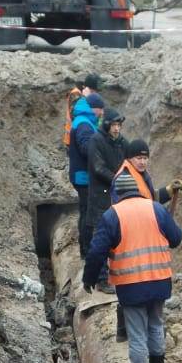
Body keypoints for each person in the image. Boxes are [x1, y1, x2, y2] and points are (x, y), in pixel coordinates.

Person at [83, 169, 182, 363]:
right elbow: (176, 238)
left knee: (137, 333)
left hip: (131, 285)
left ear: (117, 194)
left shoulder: (112, 215)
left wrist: (89, 279)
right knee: (156, 325)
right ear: (137, 190)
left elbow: (96, 251)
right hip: (159, 281)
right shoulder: (156, 209)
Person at [85, 107, 127, 272]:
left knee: (118, 233)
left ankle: (116, 269)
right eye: (114, 125)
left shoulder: (121, 142)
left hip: (117, 195)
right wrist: (119, 180)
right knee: (102, 236)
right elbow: (98, 168)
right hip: (101, 196)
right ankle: (101, 277)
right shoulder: (96, 140)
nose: (117, 128)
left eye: (119, 125)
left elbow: (130, 159)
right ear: (107, 125)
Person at [69, 92, 104, 257]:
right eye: (100, 109)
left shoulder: (84, 120)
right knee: (88, 213)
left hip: (82, 175)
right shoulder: (84, 124)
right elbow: (86, 148)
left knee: (85, 211)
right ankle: (87, 250)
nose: (102, 113)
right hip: (84, 176)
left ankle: (85, 248)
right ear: (94, 109)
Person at [111, 139, 182, 205]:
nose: (142, 162)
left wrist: (169, 190)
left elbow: (151, 198)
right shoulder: (123, 179)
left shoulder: (142, 173)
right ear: (130, 158)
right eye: (139, 158)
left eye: (145, 158)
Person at [63, 73, 102, 148]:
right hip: (74, 138)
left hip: (85, 136)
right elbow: (74, 114)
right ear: (88, 88)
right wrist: (86, 97)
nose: (96, 94)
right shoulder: (76, 94)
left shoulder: (89, 95)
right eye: (94, 91)